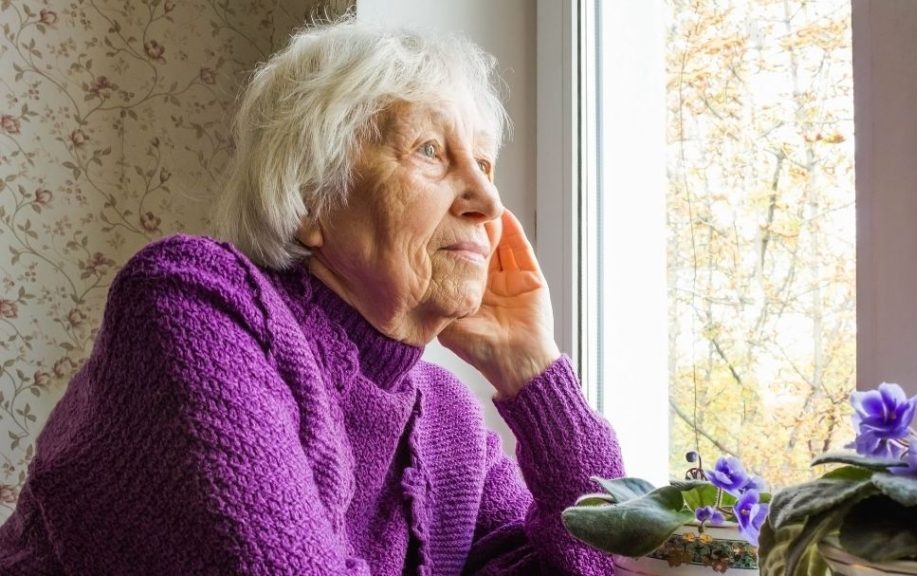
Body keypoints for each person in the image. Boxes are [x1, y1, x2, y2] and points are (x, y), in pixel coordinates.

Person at [0, 17, 624, 576]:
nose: (488, 202)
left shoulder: (448, 419)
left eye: (485, 165)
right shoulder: (194, 305)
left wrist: (535, 374)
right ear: (311, 198)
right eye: (430, 151)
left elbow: (598, 561)